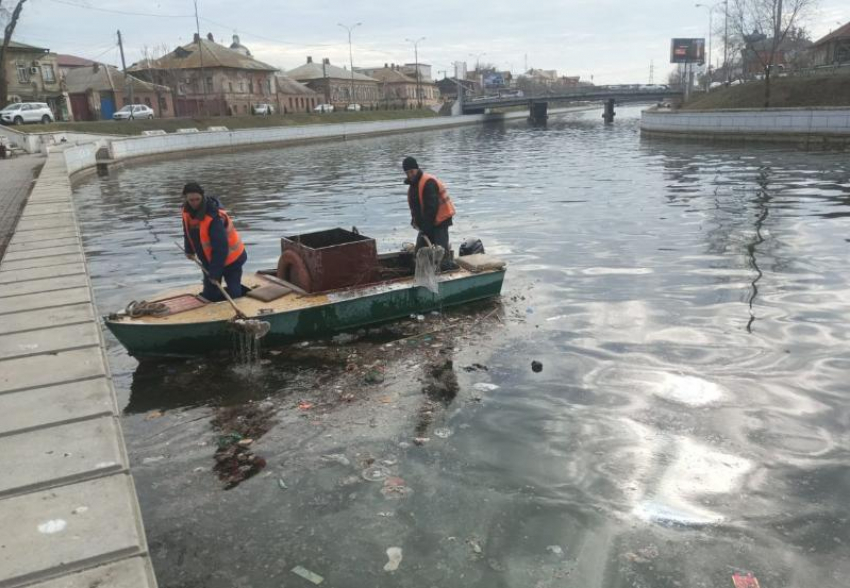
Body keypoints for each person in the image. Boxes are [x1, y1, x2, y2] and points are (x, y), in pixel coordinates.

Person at [181, 182, 247, 302]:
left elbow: (221, 248)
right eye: (191, 200)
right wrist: (189, 250)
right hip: (209, 259)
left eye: (197, 199)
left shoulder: (213, 217)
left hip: (232, 259)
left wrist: (215, 273)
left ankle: (240, 310)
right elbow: (187, 232)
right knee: (210, 292)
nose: (194, 203)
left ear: (202, 196)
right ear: (186, 199)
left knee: (234, 291)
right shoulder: (186, 212)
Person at [403, 156, 456, 259]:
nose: (410, 175)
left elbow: (431, 208)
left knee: (441, 252)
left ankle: (445, 266)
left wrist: (425, 228)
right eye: (407, 172)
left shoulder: (428, 182)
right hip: (428, 223)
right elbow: (416, 209)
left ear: (417, 169)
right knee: (419, 252)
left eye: (412, 171)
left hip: (441, 220)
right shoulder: (413, 187)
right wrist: (416, 221)